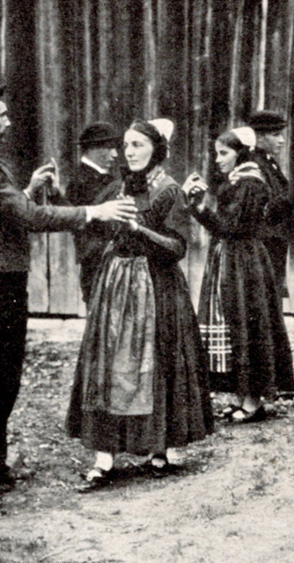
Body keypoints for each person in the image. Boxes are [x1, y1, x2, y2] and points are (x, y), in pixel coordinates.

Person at [0, 81, 137, 506]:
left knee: (4, 380)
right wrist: (94, 211)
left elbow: (4, 211)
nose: (9, 122)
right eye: (1, 116)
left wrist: (28, 189)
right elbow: (28, 217)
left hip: (1, 282)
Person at [66, 118, 214, 491]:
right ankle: (104, 457)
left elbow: (177, 247)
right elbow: (89, 225)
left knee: (157, 365)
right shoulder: (114, 188)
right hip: (115, 287)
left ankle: (159, 449)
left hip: (157, 287)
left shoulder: (169, 190)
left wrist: (139, 230)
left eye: (138, 145)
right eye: (127, 145)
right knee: (109, 366)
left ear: (156, 149)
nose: (129, 152)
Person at [183, 127, 294, 424]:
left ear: (240, 154)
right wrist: (200, 207)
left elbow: (230, 227)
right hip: (232, 258)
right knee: (234, 322)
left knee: (246, 323)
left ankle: (253, 402)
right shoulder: (237, 180)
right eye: (216, 153)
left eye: (224, 153)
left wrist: (200, 207)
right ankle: (242, 397)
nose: (218, 159)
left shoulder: (250, 183)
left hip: (244, 261)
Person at [245, 110, 294, 299]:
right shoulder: (254, 165)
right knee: (265, 296)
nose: (281, 140)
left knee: (272, 295)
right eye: (276, 135)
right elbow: (272, 207)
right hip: (265, 241)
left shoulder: (268, 162)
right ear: (259, 137)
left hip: (274, 241)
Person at [65, 121, 121, 303]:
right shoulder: (80, 180)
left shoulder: (106, 177)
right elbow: (75, 219)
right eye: (110, 148)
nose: (115, 154)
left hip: (109, 260)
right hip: (96, 261)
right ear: (93, 149)